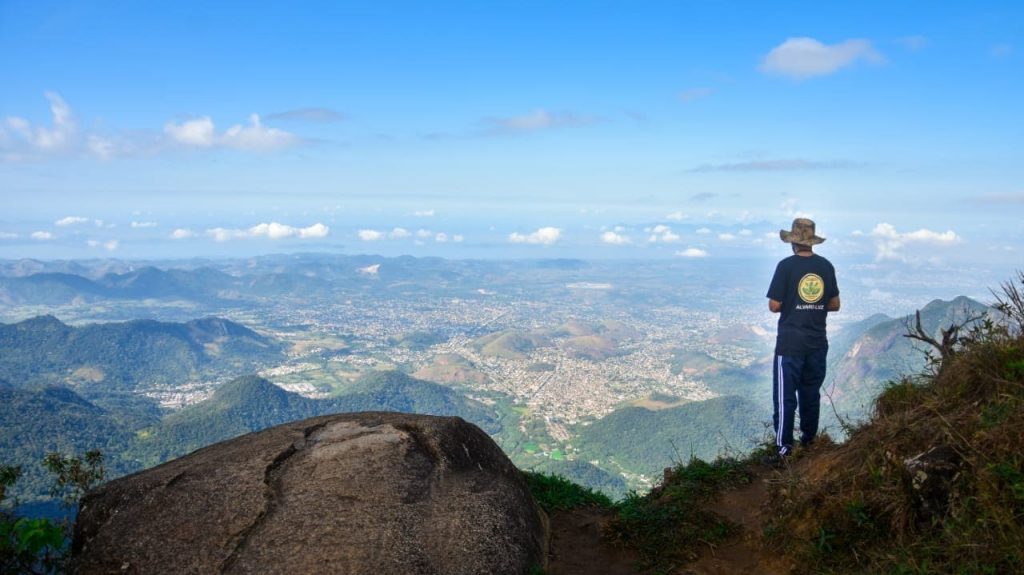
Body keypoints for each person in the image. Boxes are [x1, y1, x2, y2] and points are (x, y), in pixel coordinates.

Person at [764, 218, 840, 466]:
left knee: (785, 398)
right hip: (817, 342)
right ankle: (809, 443)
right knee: (810, 395)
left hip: (790, 344)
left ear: (793, 243)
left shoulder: (786, 266)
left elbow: (774, 305)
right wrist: (812, 305)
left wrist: (793, 302)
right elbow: (835, 304)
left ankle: (784, 450)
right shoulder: (826, 266)